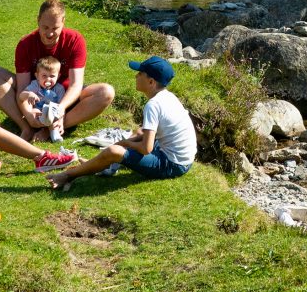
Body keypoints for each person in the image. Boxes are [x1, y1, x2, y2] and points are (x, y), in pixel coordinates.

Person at [45, 56, 195, 192]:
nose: (136, 76)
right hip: (180, 157)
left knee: (114, 151)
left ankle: (68, 175)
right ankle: (98, 164)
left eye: (140, 73)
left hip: (172, 165)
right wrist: (129, 142)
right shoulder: (168, 97)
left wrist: (125, 143)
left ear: (151, 82)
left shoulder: (153, 105)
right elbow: (147, 135)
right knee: (138, 132)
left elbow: (146, 148)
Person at [0, 0, 114, 139]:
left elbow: (76, 85)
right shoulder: (25, 44)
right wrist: (27, 113)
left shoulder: (75, 40)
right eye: (45, 27)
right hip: (35, 95)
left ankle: (55, 126)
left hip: (65, 97)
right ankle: (26, 127)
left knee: (106, 92)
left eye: (55, 28)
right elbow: (23, 87)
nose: (50, 33)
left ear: (63, 22)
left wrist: (60, 109)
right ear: (38, 20)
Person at [19, 55, 69, 142]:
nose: (48, 79)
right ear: (37, 76)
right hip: (37, 115)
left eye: (52, 76)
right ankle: (31, 129)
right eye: (44, 76)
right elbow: (21, 96)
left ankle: (54, 134)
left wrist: (61, 120)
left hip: (51, 115)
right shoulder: (35, 85)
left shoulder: (59, 88)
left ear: (58, 76)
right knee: (34, 112)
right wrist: (29, 94)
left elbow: (61, 107)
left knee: (55, 118)